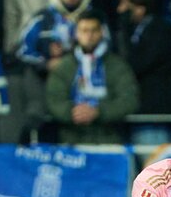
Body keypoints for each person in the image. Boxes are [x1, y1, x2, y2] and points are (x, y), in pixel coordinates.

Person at [44, 8, 139, 145]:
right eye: (84, 30)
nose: (89, 35)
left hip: (110, 140)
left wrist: (99, 112)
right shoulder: (64, 67)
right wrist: (73, 112)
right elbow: (54, 99)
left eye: (94, 30)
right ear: (76, 33)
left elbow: (129, 100)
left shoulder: (117, 66)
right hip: (71, 141)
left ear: (101, 32)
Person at [114, 0, 171, 145]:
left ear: (140, 9)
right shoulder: (135, 30)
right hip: (134, 109)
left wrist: (123, 28)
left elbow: (136, 63)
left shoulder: (159, 30)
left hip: (153, 112)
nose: (120, 10)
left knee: (152, 159)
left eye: (125, 6)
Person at [16, 0, 93, 74]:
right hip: (46, 78)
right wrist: (46, 64)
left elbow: (106, 50)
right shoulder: (42, 19)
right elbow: (23, 51)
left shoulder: (95, 19)